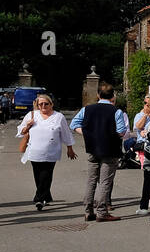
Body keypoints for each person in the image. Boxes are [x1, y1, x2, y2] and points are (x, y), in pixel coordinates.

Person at [70, 80, 129, 222]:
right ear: (113, 95)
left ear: (98, 94)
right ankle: (102, 211)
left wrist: (87, 133)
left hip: (92, 148)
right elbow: (121, 132)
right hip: (110, 149)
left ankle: (88, 210)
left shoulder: (87, 109)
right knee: (105, 181)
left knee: (91, 180)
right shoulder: (117, 111)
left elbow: (73, 124)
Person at [17, 93, 76, 210]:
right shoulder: (32, 115)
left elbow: (66, 133)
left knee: (46, 175)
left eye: (46, 104)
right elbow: (21, 131)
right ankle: (46, 196)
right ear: (37, 105)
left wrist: (70, 148)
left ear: (51, 104)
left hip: (51, 152)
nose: (43, 106)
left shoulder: (59, 117)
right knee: (38, 176)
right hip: (34, 151)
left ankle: (39, 198)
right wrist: (28, 126)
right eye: (40, 104)